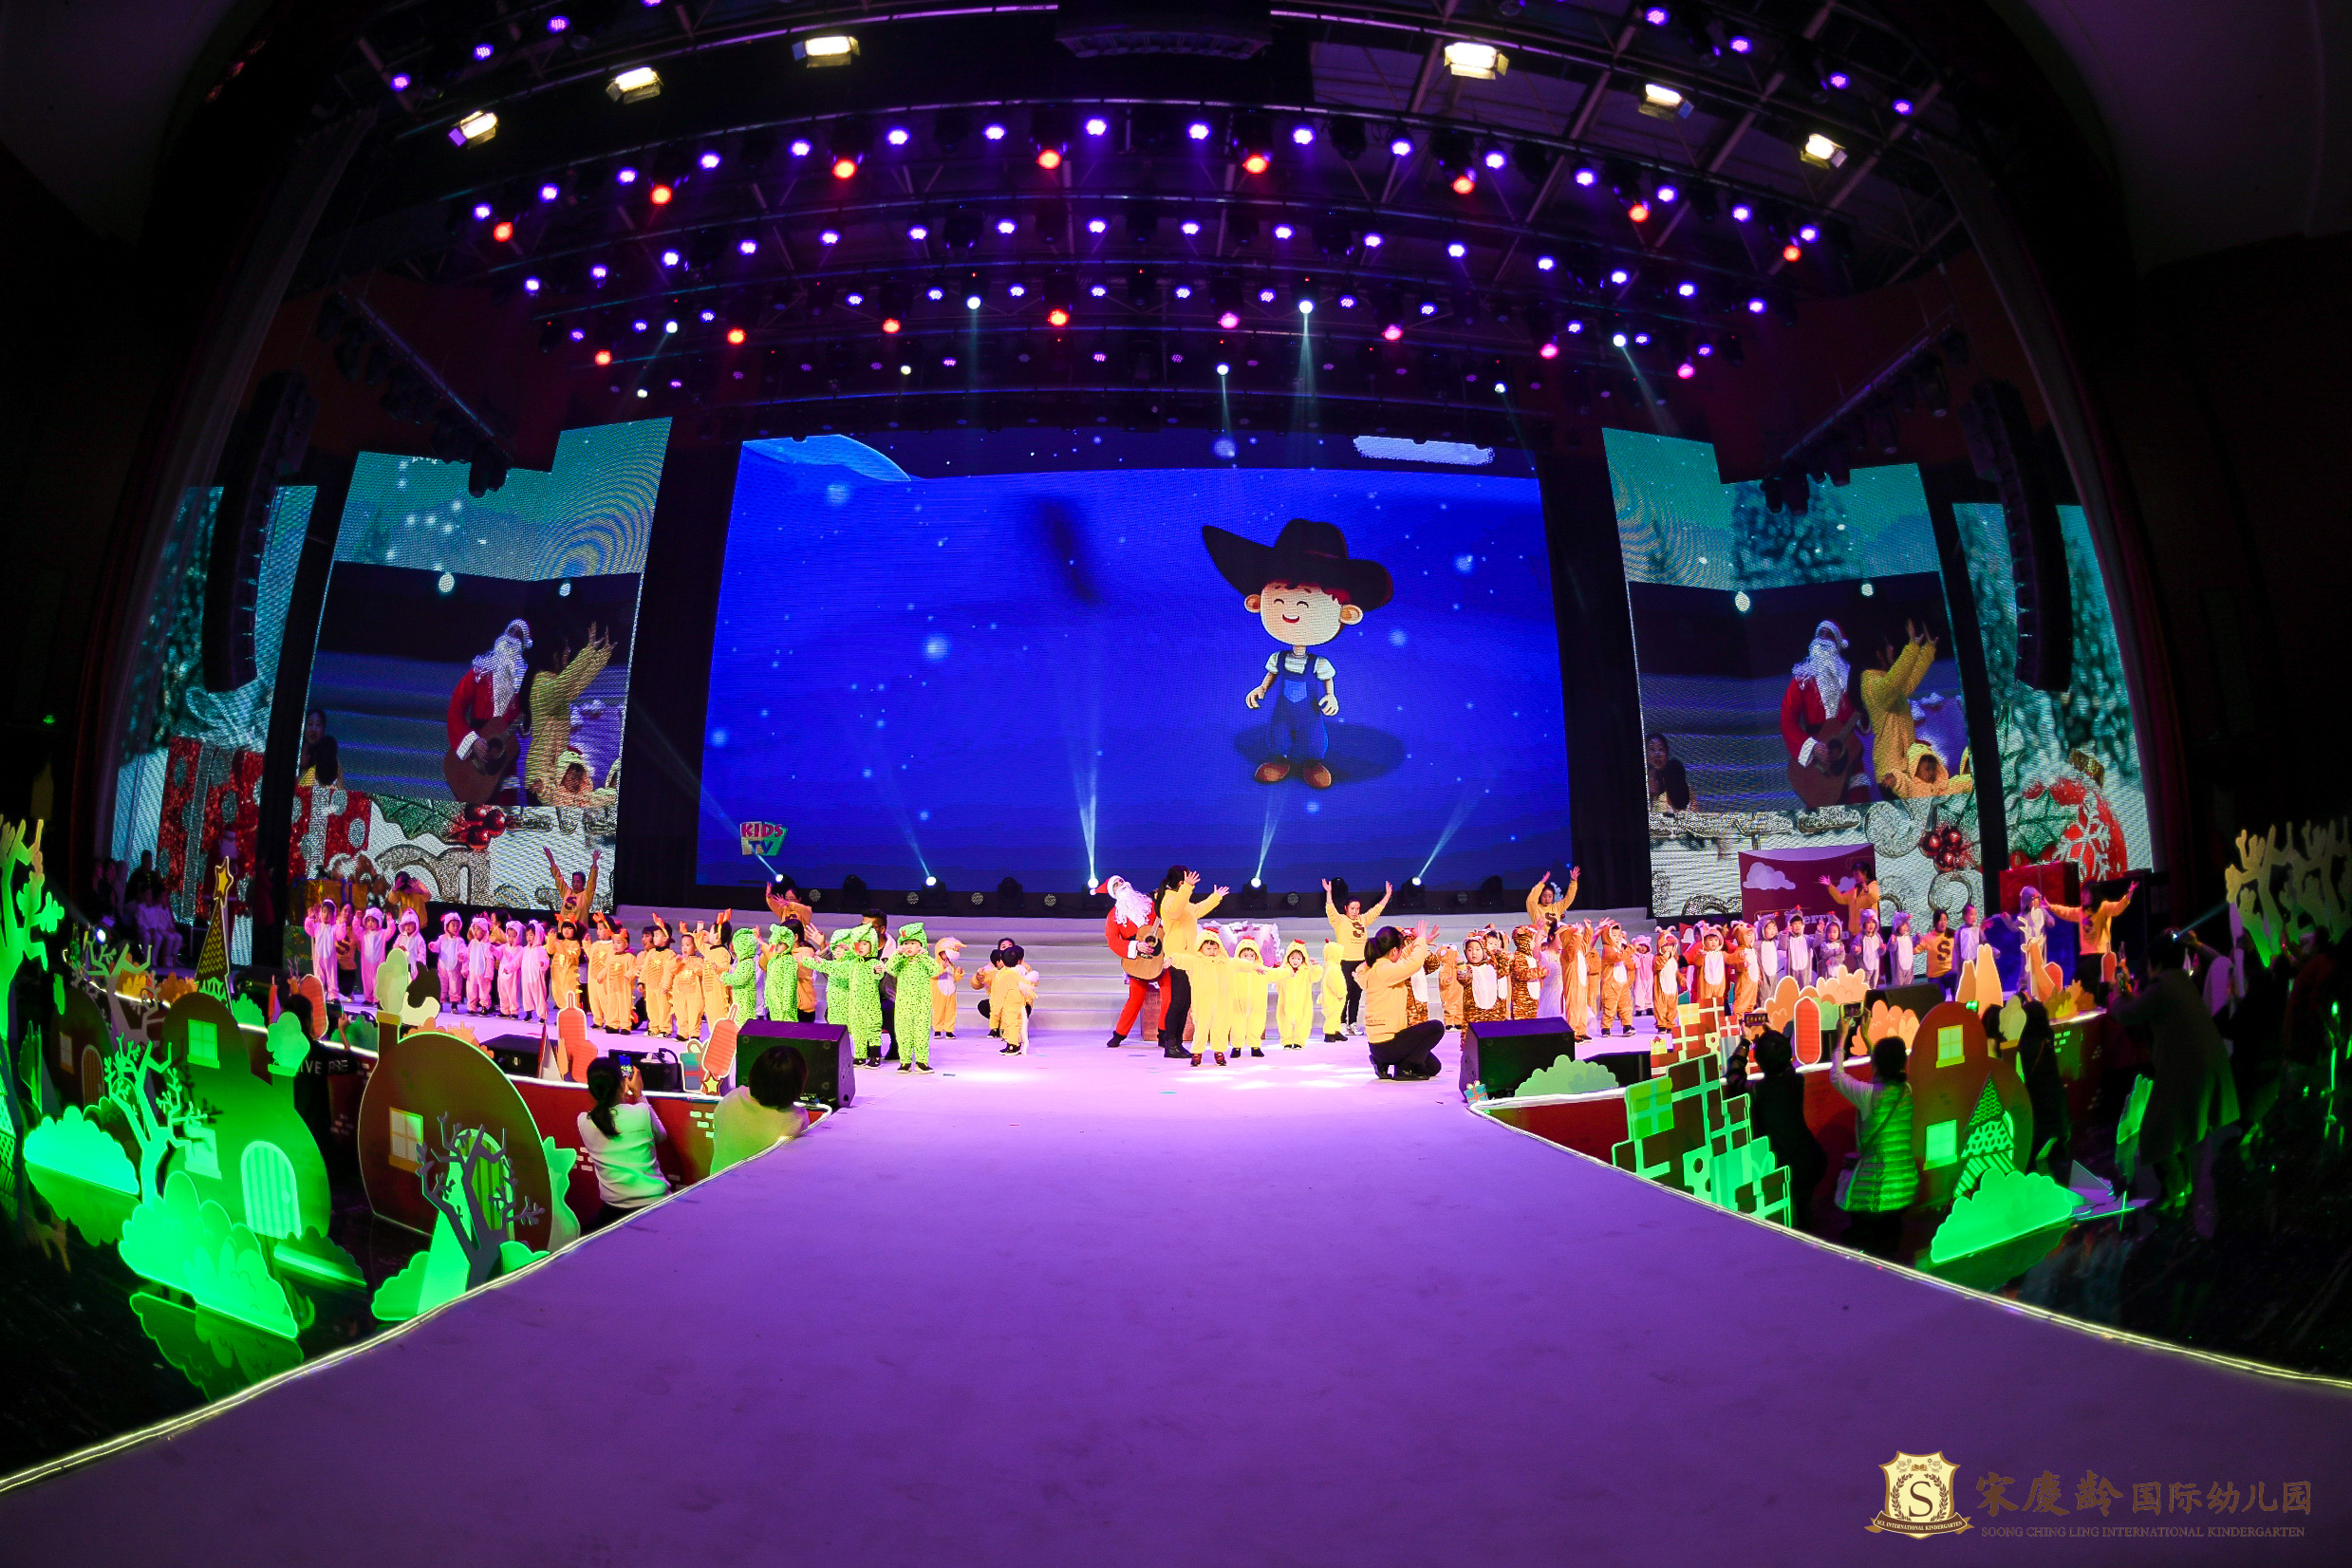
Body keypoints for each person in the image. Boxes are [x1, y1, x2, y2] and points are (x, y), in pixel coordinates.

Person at [1203, 516, 1397, 790]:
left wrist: (1330, 696)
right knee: (1278, 732)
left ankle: (1312, 762)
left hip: (1310, 712)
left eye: (1306, 605)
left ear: (1347, 614)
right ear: (1256, 603)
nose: (1290, 613)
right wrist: (1261, 689)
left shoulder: (1319, 663)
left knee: (1313, 735)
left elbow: (1327, 680)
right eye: (1278, 601)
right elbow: (1271, 676)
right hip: (1283, 710)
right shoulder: (1279, 659)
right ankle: (1279, 759)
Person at [2116, 930, 2240, 1218]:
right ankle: (2180, 1187)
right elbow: (2146, 1005)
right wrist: (2130, 996)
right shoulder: (2179, 981)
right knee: (2178, 1128)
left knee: (2157, 1131)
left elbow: (2128, 1014)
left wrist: (2117, 997)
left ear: (2155, 963)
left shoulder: (2163, 985)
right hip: (2198, 1066)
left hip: (2187, 1070)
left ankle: (2175, 1189)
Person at [1727, 1017, 1826, 1231]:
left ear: (1760, 1061)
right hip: (1810, 1158)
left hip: (1785, 1164)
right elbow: (1785, 1062)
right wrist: (1774, 1035)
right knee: (1804, 1211)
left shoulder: (1759, 1090)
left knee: (1790, 1220)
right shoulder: (1795, 1080)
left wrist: (1745, 1042)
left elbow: (1734, 1076)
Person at [1830, 1020, 1916, 1258]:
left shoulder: (1867, 1095)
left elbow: (1837, 1076)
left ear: (1876, 1063)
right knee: (1892, 1242)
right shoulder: (1906, 1091)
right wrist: (1867, 1038)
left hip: (1874, 1193)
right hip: (1904, 1188)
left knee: (1867, 1242)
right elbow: (1884, 1070)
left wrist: (1842, 1037)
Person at [575, 1056, 672, 1229]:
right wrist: (639, 1094)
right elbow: (661, 1136)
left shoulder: (584, 1121)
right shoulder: (641, 1112)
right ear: (622, 1085)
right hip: (657, 1203)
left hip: (614, 1210)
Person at [1781, 619, 1870, 805]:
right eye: (1819, 633)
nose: (1822, 638)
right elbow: (1787, 721)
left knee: (1860, 808)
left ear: (1838, 644)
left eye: (1829, 635)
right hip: (1818, 765)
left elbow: (1864, 722)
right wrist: (1812, 747)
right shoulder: (1801, 679)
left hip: (1849, 756)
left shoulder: (1852, 677)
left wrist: (1866, 715)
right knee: (1822, 814)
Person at [1155, 867, 1226, 1058]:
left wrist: (1216, 897)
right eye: (1185, 880)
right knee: (1178, 1002)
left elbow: (1197, 910)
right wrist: (1187, 888)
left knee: (1185, 1002)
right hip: (1178, 958)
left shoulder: (1183, 901)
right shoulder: (1169, 899)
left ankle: (1176, 1043)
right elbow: (1174, 911)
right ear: (1181, 882)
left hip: (1189, 959)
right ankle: (1171, 1044)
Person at [709, 1045, 812, 1174]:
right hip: (761, 1186)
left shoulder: (731, 1098)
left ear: (754, 1074)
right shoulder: (796, 1119)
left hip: (715, 1183)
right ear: (797, 1086)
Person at [1361, 924, 1445, 1080]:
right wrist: (1420, 940)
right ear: (1393, 951)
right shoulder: (1385, 970)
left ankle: (1382, 1062)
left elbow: (1403, 956)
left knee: (1433, 1067)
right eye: (1400, 949)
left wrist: (1419, 943)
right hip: (1388, 1043)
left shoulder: (1376, 966)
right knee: (1436, 1028)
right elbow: (1413, 963)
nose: (1401, 952)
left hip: (1383, 1044)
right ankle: (1405, 1069)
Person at [2009, 1001, 2072, 1186]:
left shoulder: (2026, 1046)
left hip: (2039, 1110)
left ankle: (2044, 1191)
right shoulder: (2047, 1038)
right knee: (2056, 1159)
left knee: (2034, 1160)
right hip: (2056, 1108)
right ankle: (2062, 1190)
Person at [1324, 876, 1392, 1035]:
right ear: (1346, 908)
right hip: (1345, 961)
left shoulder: (1363, 919)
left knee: (1356, 994)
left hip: (1361, 962)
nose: (1355, 912)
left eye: (1357, 908)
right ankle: (1341, 1022)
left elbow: (1376, 911)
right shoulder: (1339, 920)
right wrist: (1328, 893)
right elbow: (1330, 909)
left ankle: (1353, 1023)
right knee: (1344, 993)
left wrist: (1387, 895)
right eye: (1352, 908)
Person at [1100, 874, 1162, 1048]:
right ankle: (1119, 1034)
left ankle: (1165, 1034)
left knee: (1169, 993)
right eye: (1115, 885)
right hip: (1137, 959)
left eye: (1121, 881)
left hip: (1158, 954)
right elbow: (1113, 941)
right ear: (1113, 893)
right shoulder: (1114, 916)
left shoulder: (1149, 904)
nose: (1121, 885)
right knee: (1135, 998)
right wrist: (1135, 946)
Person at [1645, 733, 1693, 811]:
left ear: (1667, 752)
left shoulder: (1684, 788)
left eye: (1661, 749)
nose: (1657, 754)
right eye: (1652, 749)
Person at [298, 708, 342, 788]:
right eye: (310, 724)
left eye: (318, 725)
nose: (314, 729)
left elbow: (337, 787)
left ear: (323, 729)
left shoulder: (331, 759)